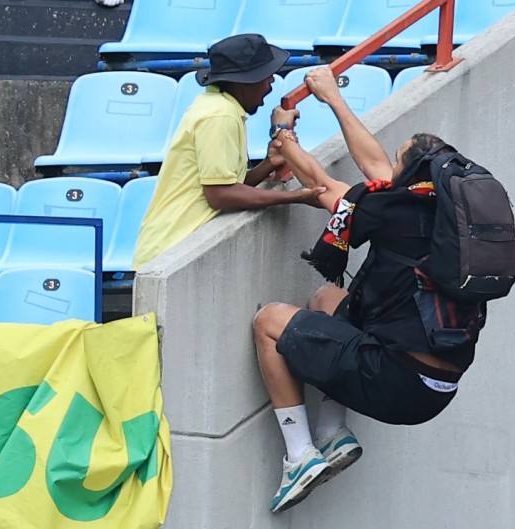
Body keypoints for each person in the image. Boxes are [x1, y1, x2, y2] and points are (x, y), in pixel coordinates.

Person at [252, 66, 484, 512]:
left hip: (399, 381)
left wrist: (284, 141)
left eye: (399, 160)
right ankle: (332, 433)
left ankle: (300, 456)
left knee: (269, 322)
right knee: (325, 300)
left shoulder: (395, 211)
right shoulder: (450, 214)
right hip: (441, 382)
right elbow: (376, 168)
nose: (388, 167)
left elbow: (324, 188)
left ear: (410, 172)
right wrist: (334, 100)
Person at [132, 34, 326, 270]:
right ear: (244, 82)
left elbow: (229, 183)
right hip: (170, 254)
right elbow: (220, 195)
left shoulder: (220, 108)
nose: (271, 83)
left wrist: (267, 164)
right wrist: (297, 197)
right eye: (265, 76)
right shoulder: (220, 115)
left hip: (172, 251)